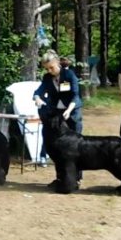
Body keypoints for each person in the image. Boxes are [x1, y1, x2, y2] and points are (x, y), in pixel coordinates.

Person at [34, 50, 83, 183]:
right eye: (47, 69)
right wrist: (37, 98)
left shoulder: (69, 74)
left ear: (57, 63)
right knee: (58, 148)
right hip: (57, 115)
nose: (50, 71)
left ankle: (77, 178)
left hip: (72, 113)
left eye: (51, 67)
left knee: (75, 147)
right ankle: (60, 178)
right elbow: (38, 91)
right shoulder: (47, 78)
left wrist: (69, 110)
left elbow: (75, 95)